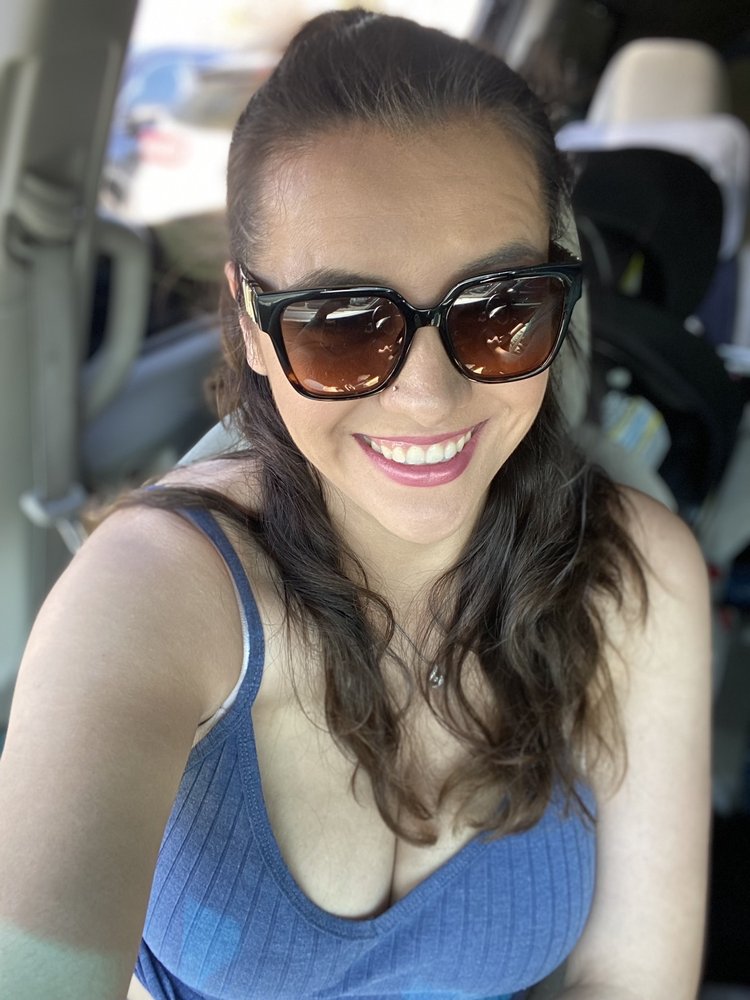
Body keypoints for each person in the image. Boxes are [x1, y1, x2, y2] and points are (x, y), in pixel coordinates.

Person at [0, 9, 711, 1000]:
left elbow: (631, 981)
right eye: (342, 324)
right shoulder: (145, 596)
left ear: (559, 301)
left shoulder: (638, 577)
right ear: (253, 325)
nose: (429, 397)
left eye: (500, 308)